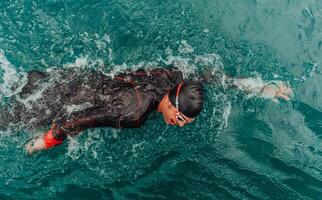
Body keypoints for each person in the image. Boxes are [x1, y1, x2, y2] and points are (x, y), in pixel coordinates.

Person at [0, 66, 292, 153]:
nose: (180, 125)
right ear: (173, 103)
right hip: (53, 101)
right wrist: (43, 142)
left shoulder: (175, 79)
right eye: (180, 118)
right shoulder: (133, 114)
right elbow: (77, 119)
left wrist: (262, 88)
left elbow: (212, 77)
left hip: (75, 77)